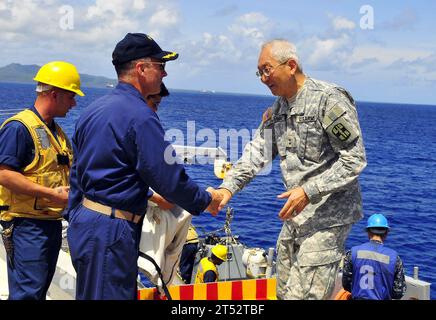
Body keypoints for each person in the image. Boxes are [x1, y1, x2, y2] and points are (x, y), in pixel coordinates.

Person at [65, 32, 223, 300]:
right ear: (141, 68)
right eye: (161, 66)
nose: (165, 75)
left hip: (87, 222)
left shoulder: (94, 110)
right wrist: (206, 200)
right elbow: (169, 178)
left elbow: (77, 172)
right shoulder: (140, 116)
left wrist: (75, 215)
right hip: (111, 230)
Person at [216, 39, 367, 300]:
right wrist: (226, 188)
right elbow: (257, 153)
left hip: (328, 219)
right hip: (295, 218)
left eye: (267, 69)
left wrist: (308, 191)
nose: (262, 78)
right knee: (283, 292)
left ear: (291, 65)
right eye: (259, 72)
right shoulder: (279, 109)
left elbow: (354, 159)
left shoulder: (328, 100)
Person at [0, 61, 83, 300]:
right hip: (27, 227)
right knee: (28, 294)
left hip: (49, 224)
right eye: (71, 97)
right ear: (54, 94)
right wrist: (51, 194)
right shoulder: (19, 128)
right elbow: (4, 174)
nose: (74, 103)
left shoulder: (57, 133)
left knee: (37, 291)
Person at [342, 214, 406, 300]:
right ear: (386, 233)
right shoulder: (395, 258)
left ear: (368, 232)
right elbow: (398, 292)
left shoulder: (352, 253)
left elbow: (346, 284)